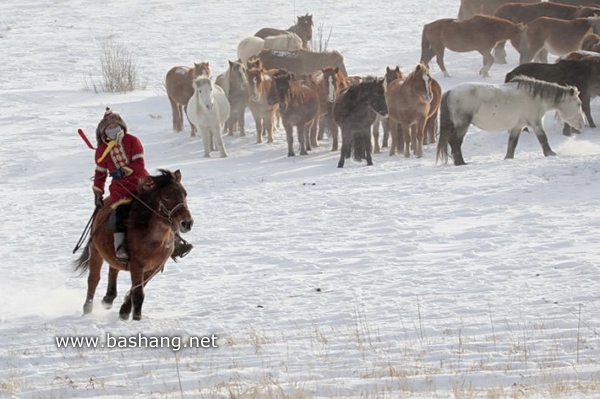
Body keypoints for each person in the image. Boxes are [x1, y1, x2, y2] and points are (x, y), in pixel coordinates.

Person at [92, 107, 192, 262]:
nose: (112, 129)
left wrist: (124, 170)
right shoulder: (101, 151)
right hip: (121, 189)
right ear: (103, 130)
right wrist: (98, 192)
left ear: (121, 126)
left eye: (115, 126)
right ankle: (120, 246)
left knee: (160, 210)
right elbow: (100, 174)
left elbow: (139, 163)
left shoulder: (132, 141)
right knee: (121, 213)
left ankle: (175, 241)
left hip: (143, 183)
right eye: (109, 127)